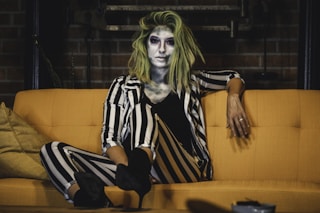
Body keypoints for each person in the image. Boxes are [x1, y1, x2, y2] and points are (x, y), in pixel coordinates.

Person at [40, 10, 249, 209]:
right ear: (145, 46)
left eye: (170, 42)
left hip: (181, 168)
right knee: (51, 150)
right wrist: (127, 169)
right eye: (155, 41)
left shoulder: (190, 81)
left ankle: (138, 170)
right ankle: (86, 197)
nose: (161, 49)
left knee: (143, 109)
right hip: (128, 171)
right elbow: (109, 139)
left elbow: (233, 77)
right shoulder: (122, 85)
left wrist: (233, 98)